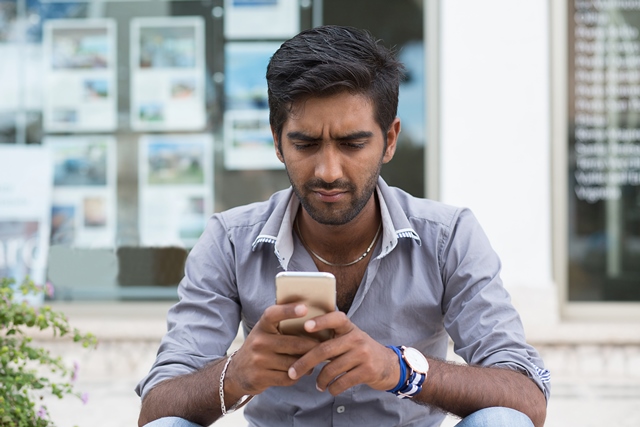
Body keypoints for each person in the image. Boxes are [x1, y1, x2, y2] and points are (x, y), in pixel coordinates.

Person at [136, 25, 551, 427]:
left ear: (390, 140)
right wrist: (237, 374)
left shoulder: (447, 236)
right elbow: (156, 408)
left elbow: (526, 397)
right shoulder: (229, 241)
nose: (329, 171)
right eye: (305, 144)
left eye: (352, 144)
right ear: (277, 142)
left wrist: (400, 370)